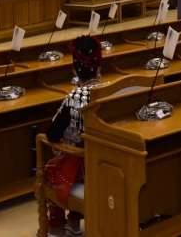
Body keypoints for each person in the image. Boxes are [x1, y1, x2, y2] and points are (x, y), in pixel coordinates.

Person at [43, 36, 102, 237]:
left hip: (82, 167)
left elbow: (52, 133)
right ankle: (74, 221)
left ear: (75, 68)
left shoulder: (76, 97)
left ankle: (56, 227)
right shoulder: (109, 91)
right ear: (99, 65)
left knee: (52, 167)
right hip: (105, 163)